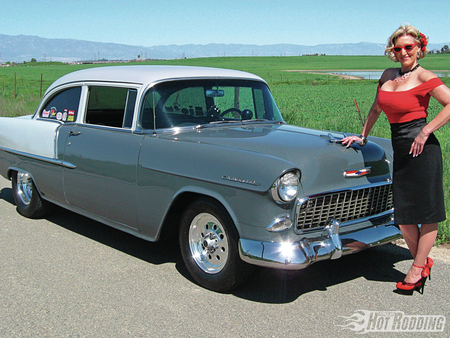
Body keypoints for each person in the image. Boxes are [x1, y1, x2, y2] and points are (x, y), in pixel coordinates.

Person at [342, 24, 450, 295]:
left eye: (409, 47)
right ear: (393, 51)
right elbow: (377, 107)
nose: (404, 52)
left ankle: (416, 269)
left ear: (419, 49)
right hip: (400, 149)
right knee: (402, 216)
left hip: (423, 150)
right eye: (398, 48)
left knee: (426, 213)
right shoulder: (388, 75)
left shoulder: (424, 76)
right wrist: (363, 136)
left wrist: (426, 131)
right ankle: (422, 263)